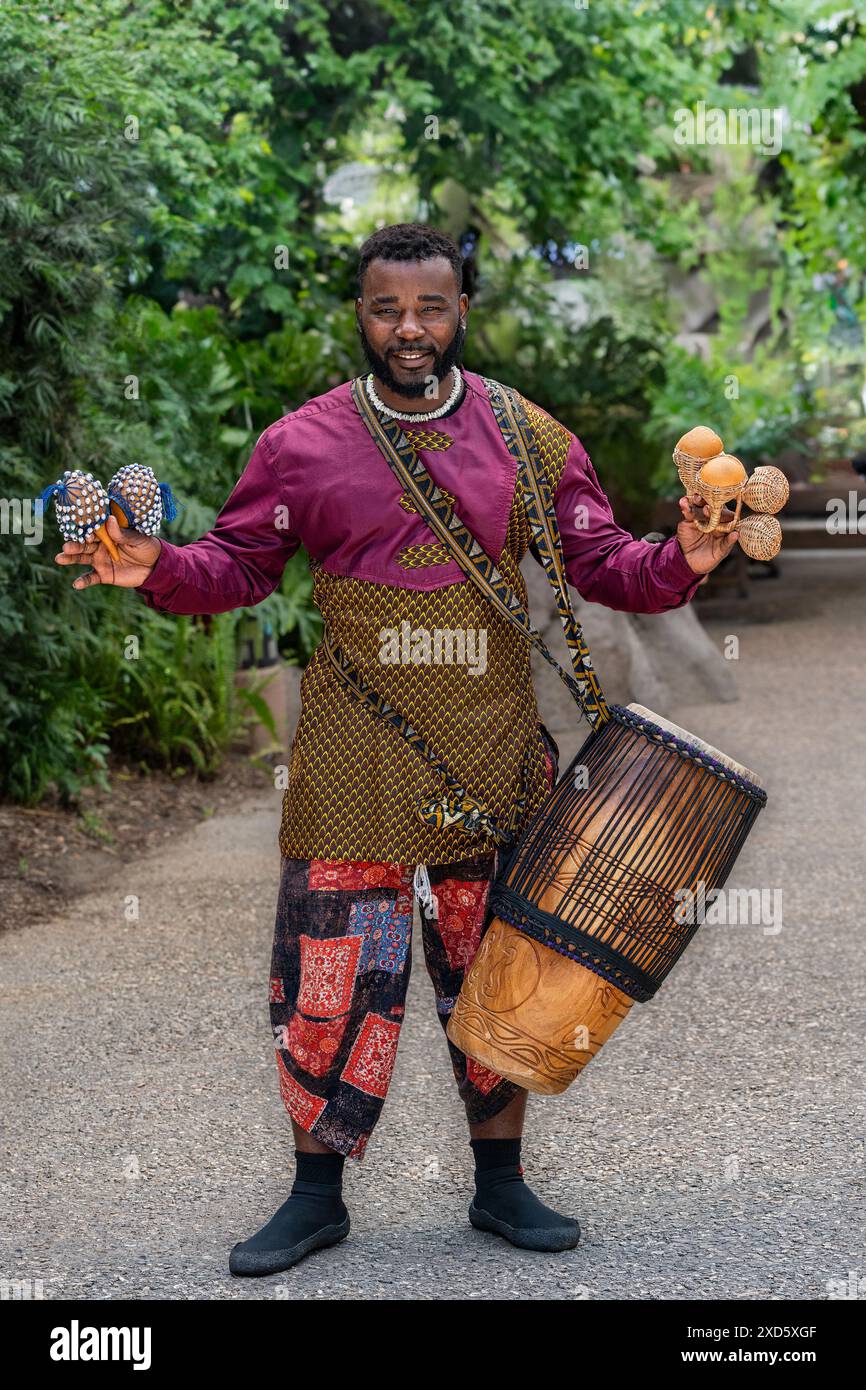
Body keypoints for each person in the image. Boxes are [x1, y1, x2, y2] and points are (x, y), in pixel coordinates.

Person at [54, 223, 740, 1276]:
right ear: (360, 315)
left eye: (428, 307)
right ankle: (314, 1195)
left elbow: (605, 561)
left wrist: (680, 556)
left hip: (492, 746)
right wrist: (152, 566)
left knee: (498, 966)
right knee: (324, 971)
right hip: (351, 744)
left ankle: (502, 1188)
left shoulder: (528, 438)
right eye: (386, 309)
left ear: (460, 306)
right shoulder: (299, 445)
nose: (408, 329)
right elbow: (235, 566)